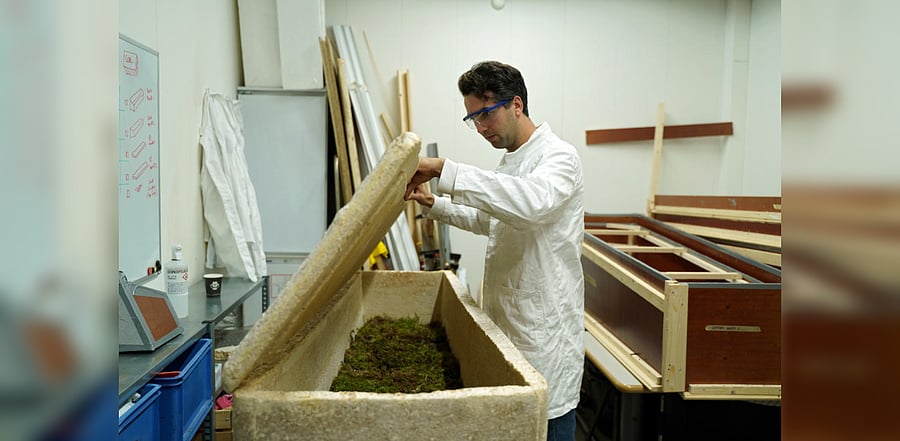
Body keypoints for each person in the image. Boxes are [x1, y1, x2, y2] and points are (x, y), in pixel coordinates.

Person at [404, 61, 585, 441]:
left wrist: (443, 169)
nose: (481, 128)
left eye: (485, 114)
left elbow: (530, 204)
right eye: (473, 119)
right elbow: (492, 221)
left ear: (516, 104)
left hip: (543, 339)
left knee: (544, 423)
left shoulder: (559, 158)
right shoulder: (512, 163)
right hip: (511, 328)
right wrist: (434, 204)